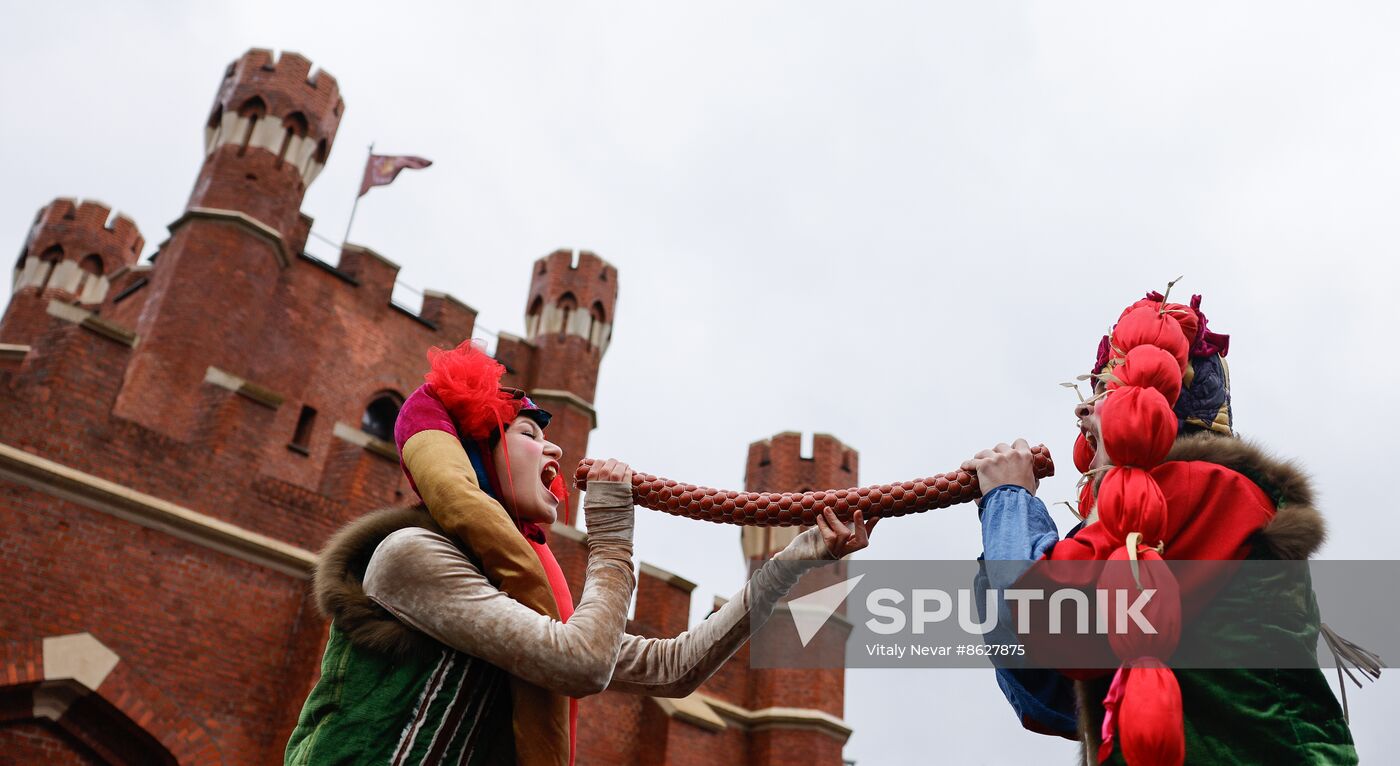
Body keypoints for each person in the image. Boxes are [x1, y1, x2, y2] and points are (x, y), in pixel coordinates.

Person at [285, 341, 877, 765]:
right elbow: (582, 662)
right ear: (475, 456)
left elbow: (675, 668)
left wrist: (799, 558)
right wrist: (612, 535)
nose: (556, 447)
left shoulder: (516, 597)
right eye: (528, 434)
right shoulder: (410, 555)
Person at [965, 291, 1357, 765]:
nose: (1083, 410)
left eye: (1107, 390)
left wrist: (1009, 501)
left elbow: (1036, 608)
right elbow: (1047, 694)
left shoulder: (1204, 487)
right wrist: (1003, 517)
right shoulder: (1151, 515)